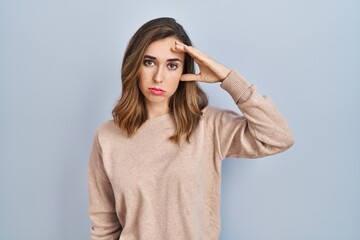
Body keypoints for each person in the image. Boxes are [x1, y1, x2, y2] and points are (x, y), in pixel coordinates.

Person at [88, 17, 294, 240]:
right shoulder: (107, 136)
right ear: (134, 66)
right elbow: (104, 226)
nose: (159, 77)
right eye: (149, 62)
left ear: (183, 71)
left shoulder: (209, 125)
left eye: (172, 65)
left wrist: (228, 78)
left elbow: (278, 137)